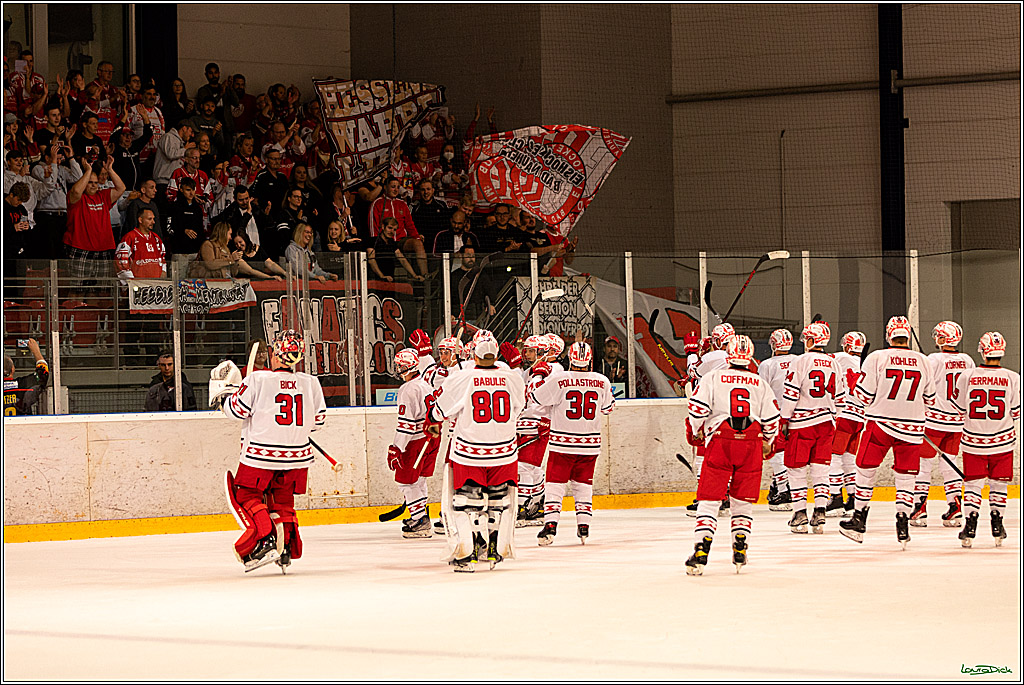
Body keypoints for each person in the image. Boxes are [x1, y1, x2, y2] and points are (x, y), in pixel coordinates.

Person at [216, 330, 327, 572]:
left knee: (245, 496)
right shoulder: (311, 383)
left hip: (260, 455)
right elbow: (318, 422)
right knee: (283, 501)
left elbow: (236, 411)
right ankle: (285, 546)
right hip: (298, 457)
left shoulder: (257, 380)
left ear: (276, 354)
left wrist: (224, 394)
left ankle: (265, 539)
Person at [426, 331, 526, 572]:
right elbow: (519, 407)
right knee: (496, 501)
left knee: (465, 502)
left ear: (473, 353)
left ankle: (468, 552)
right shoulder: (512, 377)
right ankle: (492, 549)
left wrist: (432, 416)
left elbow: (440, 412)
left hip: (469, 450)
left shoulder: (463, 377)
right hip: (504, 451)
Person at [684, 335, 780, 575]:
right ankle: (740, 545)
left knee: (709, 500)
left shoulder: (713, 377)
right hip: (751, 444)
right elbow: (772, 419)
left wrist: (696, 430)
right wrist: (768, 441)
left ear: (729, 354)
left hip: (721, 441)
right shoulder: (759, 383)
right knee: (742, 501)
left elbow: (697, 409)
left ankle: (701, 549)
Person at [839, 316, 936, 548]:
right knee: (906, 476)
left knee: (864, 471)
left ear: (888, 334)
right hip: (912, 427)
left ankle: (859, 519)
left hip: (880, 425)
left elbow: (864, 397)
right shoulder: (924, 361)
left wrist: (854, 383)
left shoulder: (877, 357)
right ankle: (903, 522)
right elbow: (930, 399)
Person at [529, 342, 615, 546]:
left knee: (555, 485)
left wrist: (538, 376)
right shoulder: (601, 380)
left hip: (562, 444)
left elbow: (535, 397)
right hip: (590, 445)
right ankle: (583, 525)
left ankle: (550, 525)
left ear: (570, 358)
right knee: (583, 485)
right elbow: (608, 408)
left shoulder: (560, 379)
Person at [949, 332, 1019, 548]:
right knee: (999, 485)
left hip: (974, 442)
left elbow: (958, 407)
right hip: (1003, 441)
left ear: (981, 349)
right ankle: (997, 524)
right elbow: (1016, 412)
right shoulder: (1013, 377)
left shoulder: (967, 376)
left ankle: (970, 525)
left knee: (972, 485)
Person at [779, 322, 843, 534]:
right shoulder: (834, 362)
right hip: (825, 423)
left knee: (796, 470)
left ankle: (799, 515)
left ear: (811, 340)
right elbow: (841, 397)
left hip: (801, 424)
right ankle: (820, 512)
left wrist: (784, 419)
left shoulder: (801, 361)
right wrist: (834, 417)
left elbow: (790, 392)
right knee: (821, 470)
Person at [911, 321, 974, 528]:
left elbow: (922, 386)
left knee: (924, 464)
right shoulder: (967, 360)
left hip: (935, 421)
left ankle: (920, 508)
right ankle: (955, 508)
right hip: (957, 423)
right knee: (950, 465)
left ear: (943, 338)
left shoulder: (933, 359)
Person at [387, 348, 442, 538]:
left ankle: (419, 520)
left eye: (400, 365)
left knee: (406, 482)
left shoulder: (408, 389)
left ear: (408, 366)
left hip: (416, 441)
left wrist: (396, 448)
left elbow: (407, 425)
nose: (398, 368)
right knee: (419, 480)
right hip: (431, 438)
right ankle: (420, 514)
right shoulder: (425, 384)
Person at [512, 335, 554, 526]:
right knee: (534, 468)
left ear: (542, 352)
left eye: (530, 350)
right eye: (526, 350)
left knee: (524, 467)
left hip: (538, 425)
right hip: (523, 424)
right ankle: (538, 506)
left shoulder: (554, 371)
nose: (525, 353)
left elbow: (548, 399)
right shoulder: (528, 371)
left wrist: (549, 420)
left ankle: (522, 507)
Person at [65, 157, 126, 284]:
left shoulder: (103, 196)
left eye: (95, 182)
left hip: (103, 248)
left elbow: (121, 188)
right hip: (80, 247)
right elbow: (77, 190)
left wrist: (110, 170)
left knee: (99, 292)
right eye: (90, 182)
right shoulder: (76, 198)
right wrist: (88, 170)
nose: (93, 185)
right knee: (77, 290)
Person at [828, 331, 868, 516]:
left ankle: (836, 497)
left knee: (834, 457)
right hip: (859, 418)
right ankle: (852, 498)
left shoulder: (842, 357)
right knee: (849, 459)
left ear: (847, 345)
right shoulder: (867, 363)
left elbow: (819, 357)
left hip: (844, 414)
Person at [757, 329, 796, 511]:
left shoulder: (767, 364)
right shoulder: (799, 360)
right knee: (789, 454)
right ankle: (778, 485)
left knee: (776, 451)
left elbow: (760, 391)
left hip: (776, 413)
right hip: (797, 413)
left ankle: (784, 489)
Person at [368, 176, 428, 278]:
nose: (396, 190)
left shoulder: (402, 204)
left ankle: (425, 276)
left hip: (401, 240)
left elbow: (410, 225)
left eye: (398, 187)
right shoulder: (377, 203)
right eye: (393, 187)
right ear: (385, 187)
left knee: (418, 243)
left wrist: (417, 237)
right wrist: (379, 243)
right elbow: (373, 228)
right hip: (385, 242)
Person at [449, 245, 500, 325]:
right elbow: (449, 297)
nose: (471, 258)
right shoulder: (454, 276)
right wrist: (450, 313)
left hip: (477, 316)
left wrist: (491, 304)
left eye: (473, 256)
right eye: (468, 255)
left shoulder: (481, 274)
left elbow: (490, 291)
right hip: (458, 317)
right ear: (461, 256)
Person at [369, 217, 423, 283]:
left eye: (394, 229)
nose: (391, 231)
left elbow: (402, 259)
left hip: (390, 279)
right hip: (375, 280)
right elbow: (371, 260)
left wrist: (414, 275)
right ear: (383, 227)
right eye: (389, 228)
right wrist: (382, 276)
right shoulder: (373, 241)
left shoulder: (392, 243)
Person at [3, 339, 50, 416]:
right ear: (13, 369)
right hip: (22, 426)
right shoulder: (23, 385)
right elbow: (43, 374)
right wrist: (36, 351)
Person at [164, 177, 205, 257]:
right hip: (179, 252)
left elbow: (201, 231)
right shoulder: (174, 207)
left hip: (195, 252)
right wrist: (183, 231)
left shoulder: (198, 209)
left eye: (193, 190)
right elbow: (168, 229)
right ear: (181, 189)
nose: (191, 193)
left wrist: (201, 248)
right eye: (188, 190)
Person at [410, 178, 450, 250]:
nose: (426, 192)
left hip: (440, 243)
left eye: (428, 189)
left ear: (433, 190)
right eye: (423, 190)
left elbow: (447, 226)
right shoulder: (414, 207)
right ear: (419, 191)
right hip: (422, 244)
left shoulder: (441, 205)